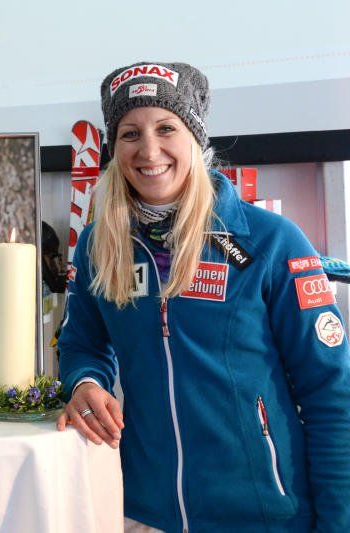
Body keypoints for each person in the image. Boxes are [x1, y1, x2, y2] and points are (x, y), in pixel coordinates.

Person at [56, 61, 350, 532]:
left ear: (195, 137)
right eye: (130, 134)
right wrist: (85, 383)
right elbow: (82, 344)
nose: (149, 150)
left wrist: (339, 523)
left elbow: (331, 395)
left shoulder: (270, 241)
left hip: (263, 516)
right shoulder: (99, 243)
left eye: (165, 128)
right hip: (143, 511)